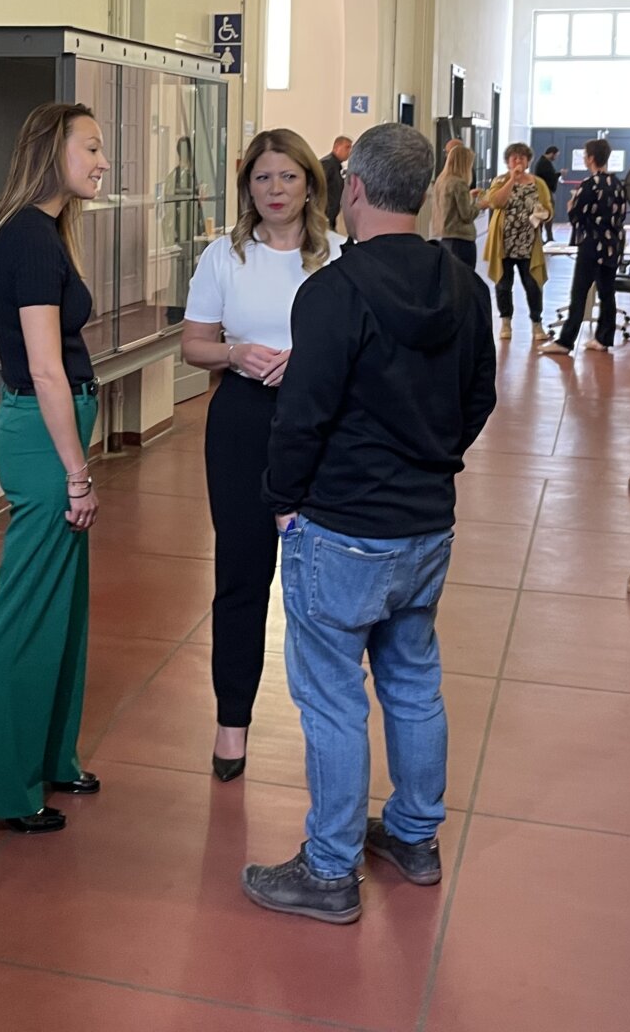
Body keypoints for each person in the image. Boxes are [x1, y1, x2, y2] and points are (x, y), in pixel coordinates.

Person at [240, 124, 498, 924]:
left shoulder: (333, 293)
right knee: (412, 681)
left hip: (342, 528)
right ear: (423, 192)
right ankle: (415, 839)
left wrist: (282, 498)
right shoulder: (466, 289)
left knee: (332, 700)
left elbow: (303, 416)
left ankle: (329, 869)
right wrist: (432, 461)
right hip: (426, 527)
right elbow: (480, 398)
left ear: (352, 188)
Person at [0, 102, 112, 834]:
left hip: (41, 422)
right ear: (53, 151)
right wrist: (76, 472)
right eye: (92, 148)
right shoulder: (30, 237)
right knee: (26, 610)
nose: (102, 162)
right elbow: (48, 369)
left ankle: (50, 757)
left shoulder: (23, 229)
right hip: (49, 434)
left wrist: (25, 380)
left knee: (62, 606)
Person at [180, 130, 343, 783]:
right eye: (262, 178)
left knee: (322, 580)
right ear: (247, 186)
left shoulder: (337, 255)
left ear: (310, 183)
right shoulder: (225, 256)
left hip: (319, 422)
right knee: (241, 573)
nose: (275, 190)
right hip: (242, 420)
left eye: (288, 177)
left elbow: (358, 347)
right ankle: (231, 722)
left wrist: (310, 361)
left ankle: (327, 723)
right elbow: (194, 344)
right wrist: (235, 353)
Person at [542, 137, 630, 357]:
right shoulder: (617, 184)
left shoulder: (590, 184)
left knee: (579, 293)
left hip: (592, 245)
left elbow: (577, 217)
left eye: (585, 155)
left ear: (590, 158)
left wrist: (571, 206)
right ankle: (603, 338)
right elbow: (621, 213)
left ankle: (565, 341)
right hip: (612, 245)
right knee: (607, 292)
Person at [482, 142, 553, 342]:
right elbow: (495, 202)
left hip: (528, 244)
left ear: (528, 161)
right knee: (503, 285)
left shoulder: (538, 183)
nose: (518, 161)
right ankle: (506, 322)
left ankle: (537, 324)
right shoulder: (500, 180)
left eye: (522, 157)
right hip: (504, 243)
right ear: (508, 162)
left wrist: (544, 214)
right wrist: (512, 179)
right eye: (514, 158)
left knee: (533, 285)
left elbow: (548, 208)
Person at [433, 142, 480, 270]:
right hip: (461, 239)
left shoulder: (441, 180)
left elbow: (451, 206)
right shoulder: (459, 183)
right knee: (465, 277)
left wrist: (469, 197)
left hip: (445, 237)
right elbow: (467, 215)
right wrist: (480, 205)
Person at [322, 135, 352, 230]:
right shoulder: (327, 164)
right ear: (336, 147)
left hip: (331, 216)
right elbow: (318, 186)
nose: (350, 151)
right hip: (323, 216)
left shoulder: (337, 166)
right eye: (347, 147)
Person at [533, 146, 562, 244]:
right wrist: (559, 174)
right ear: (552, 153)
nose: (556, 158)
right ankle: (544, 237)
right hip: (544, 191)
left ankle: (547, 236)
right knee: (545, 213)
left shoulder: (544, 163)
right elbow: (549, 177)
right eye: (556, 155)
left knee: (546, 213)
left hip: (544, 191)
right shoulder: (544, 163)